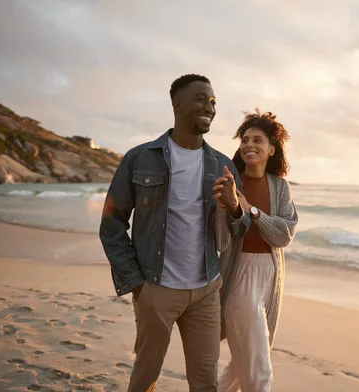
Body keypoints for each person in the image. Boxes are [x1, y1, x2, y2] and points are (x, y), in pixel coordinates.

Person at [99, 74, 250, 392]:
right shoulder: (139, 158)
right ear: (177, 105)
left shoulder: (222, 164)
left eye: (212, 102)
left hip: (207, 291)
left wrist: (234, 206)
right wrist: (137, 284)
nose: (208, 106)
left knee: (205, 381)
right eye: (200, 99)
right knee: (145, 377)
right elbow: (111, 224)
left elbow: (241, 230)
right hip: (157, 288)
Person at [214, 110, 298, 392]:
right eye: (245, 139)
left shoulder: (281, 187)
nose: (249, 144)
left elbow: (284, 235)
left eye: (257, 140)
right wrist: (233, 206)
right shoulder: (230, 183)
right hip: (239, 274)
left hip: (271, 277)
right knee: (258, 366)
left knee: (242, 365)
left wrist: (251, 210)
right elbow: (220, 235)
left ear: (271, 149)